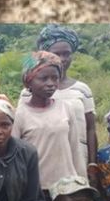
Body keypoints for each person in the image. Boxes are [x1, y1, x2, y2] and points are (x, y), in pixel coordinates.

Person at [22, 25, 98, 165]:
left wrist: (92, 164)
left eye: (67, 53)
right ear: (45, 54)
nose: (63, 59)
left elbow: (90, 128)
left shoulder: (82, 90)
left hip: (78, 159)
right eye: (57, 53)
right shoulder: (29, 92)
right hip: (43, 159)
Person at [13, 52, 86, 197]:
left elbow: (75, 149)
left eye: (55, 78)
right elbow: (15, 157)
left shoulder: (66, 108)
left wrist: (83, 182)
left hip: (67, 187)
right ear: (29, 81)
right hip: (37, 188)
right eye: (44, 78)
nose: (51, 83)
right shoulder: (19, 115)